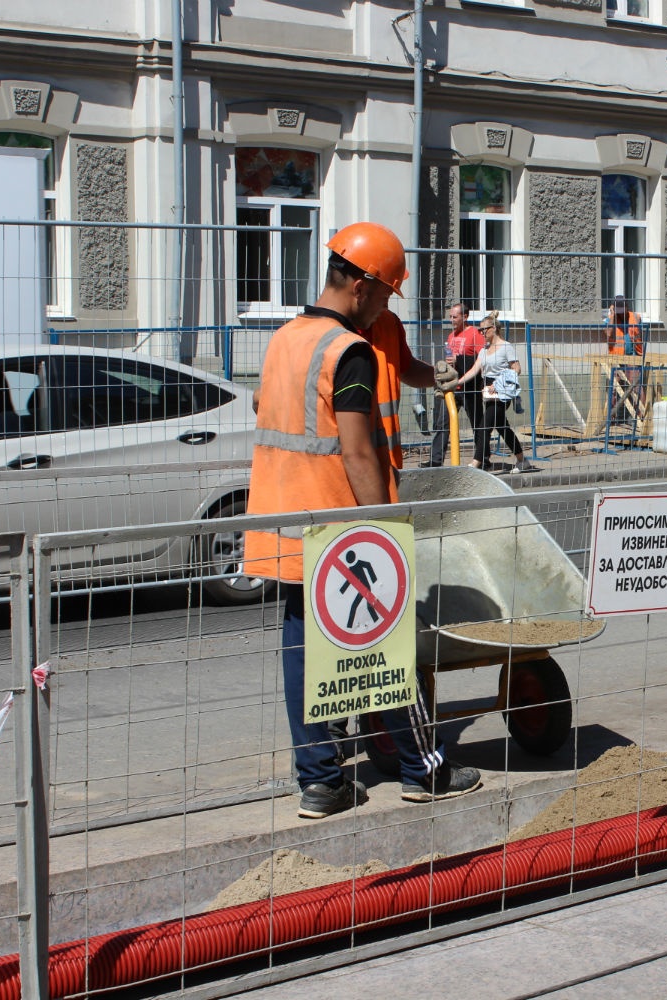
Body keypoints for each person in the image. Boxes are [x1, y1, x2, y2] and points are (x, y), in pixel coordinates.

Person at [243, 220, 482, 818]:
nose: (384, 307)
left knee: (303, 650)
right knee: (388, 646)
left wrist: (447, 374)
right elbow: (354, 449)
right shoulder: (347, 351)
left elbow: (269, 410)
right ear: (363, 285)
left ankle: (321, 782)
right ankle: (422, 769)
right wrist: (385, 527)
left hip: (288, 527)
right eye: (385, 293)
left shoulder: (284, 339)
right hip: (347, 530)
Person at [453, 310, 535, 474]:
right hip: (488, 393)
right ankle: (522, 460)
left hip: (502, 392)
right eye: (480, 330)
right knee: (503, 428)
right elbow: (474, 370)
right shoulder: (484, 350)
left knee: (484, 426)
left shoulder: (506, 347)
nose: (482, 333)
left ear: (494, 328)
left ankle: (476, 463)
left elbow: (516, 369)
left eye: (484, 329)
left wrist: (497, 385)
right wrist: (456, 382)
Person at [427, 301, 484, 467]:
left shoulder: (474, 334)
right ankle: (435, 461)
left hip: (470, 386)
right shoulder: (451, 336)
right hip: (452, 387)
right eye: (450, 316)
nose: (451, 320)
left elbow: (483, 359)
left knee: (477, 424)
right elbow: (451, 358)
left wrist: (459, 360)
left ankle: (482, 458)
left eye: (455, 316)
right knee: (442, 423)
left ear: (465, 317)